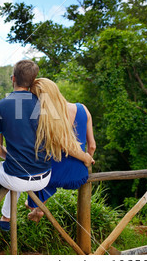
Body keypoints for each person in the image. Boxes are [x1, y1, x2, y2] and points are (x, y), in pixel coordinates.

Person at [0, 61, 94, 236]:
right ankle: (5, 220)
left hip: (18, 177)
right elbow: (62, 138)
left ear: (13, 78)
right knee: (12, 174)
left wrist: (16, 158)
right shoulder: (45, 105)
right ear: (33, 80)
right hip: (45, 177)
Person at [25, 78, 96, 222]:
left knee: (37, 172)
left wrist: (84, 158)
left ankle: (35, 206)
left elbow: (65, 145)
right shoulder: (83, 109)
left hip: (53, 175)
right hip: (80, 175)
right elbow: (92, 146)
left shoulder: (45, 116)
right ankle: (36, 207)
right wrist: (87, 159)